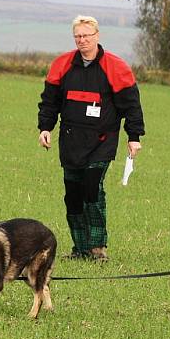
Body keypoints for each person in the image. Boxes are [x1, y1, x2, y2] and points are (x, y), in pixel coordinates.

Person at [37, 16, 145, 260]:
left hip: (102, 141)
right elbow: (49, 101)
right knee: (72, 195)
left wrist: (134, 136)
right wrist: (45, 128)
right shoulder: (62, 64)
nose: (82, 40)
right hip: (71, 140)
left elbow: (131, 105)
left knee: (92, 189)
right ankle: (80, 249)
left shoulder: (116, 67)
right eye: (78, 36)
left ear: (97, 36)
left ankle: (97, 249)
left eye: (86, 36)